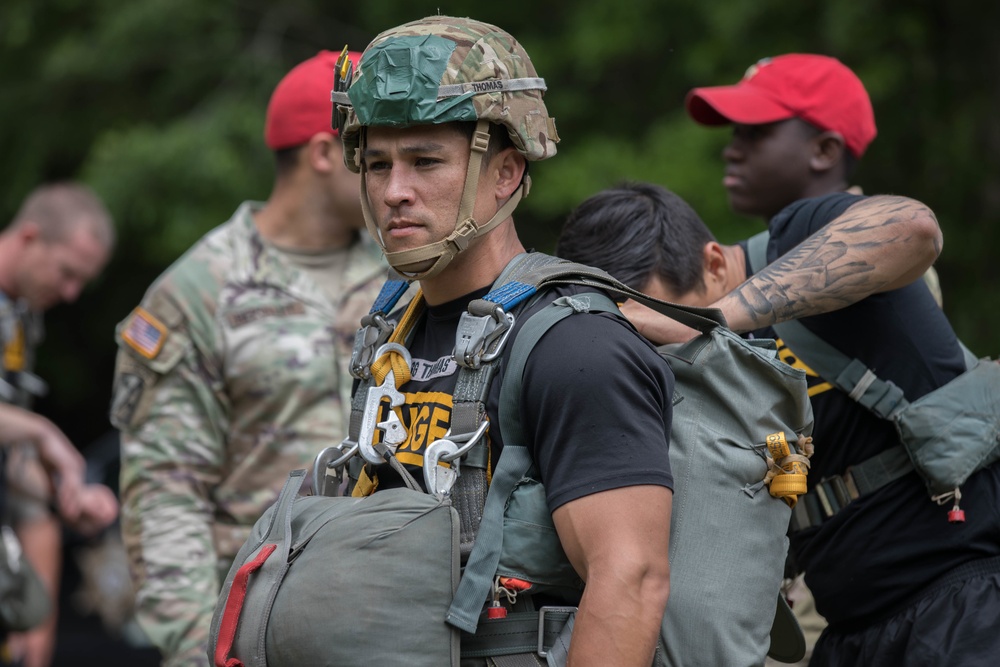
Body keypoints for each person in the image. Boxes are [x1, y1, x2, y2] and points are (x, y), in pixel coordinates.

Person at [329, 15, 674, 666]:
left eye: (425, 161)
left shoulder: (575, 346)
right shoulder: (389, 332)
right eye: (377, 164)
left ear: (507, 172)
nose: (394, 190)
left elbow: (630, 580)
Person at [558, 175, 1000, 666]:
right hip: (850, 631)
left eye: (666, 322)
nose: (669, 348)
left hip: (966, 600)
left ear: (714, 262)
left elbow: (913, 228)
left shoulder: (797, 235)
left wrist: (708, 318)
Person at [111, 50, 388, 667]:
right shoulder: (195, 293)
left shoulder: (409, 272)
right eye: (373, 150)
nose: (396, 178)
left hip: (390, 619)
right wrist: (197, 650)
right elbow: (165, 497)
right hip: (255, 630)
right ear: (324, 154)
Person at [686, 52, 943, 307]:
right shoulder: (762, 256)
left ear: (824, 151)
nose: (731, 151)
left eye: (754, 133)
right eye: (736, 133)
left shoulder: (885, 255)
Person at [0, 182, 120, 667]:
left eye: (81, 282)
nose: (71, 294)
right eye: (67, 273)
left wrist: (64, 490)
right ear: (30, 238)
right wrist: (45, 435)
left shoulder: (20, 315)